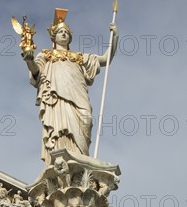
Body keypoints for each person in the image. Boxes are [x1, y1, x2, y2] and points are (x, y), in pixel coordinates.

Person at [23, 9, 119, 163]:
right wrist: (29, 60)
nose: (63, 34)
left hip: (79, 96)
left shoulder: (79, 57)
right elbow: (36, 72)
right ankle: (62, 159)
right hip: (57, 98)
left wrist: (115, 38)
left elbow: (105, 59)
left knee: (86, 119)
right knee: (61, 130)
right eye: (60, 31)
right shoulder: (46, 55)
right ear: (54, 37)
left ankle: (82, 160)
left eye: (66, 32)